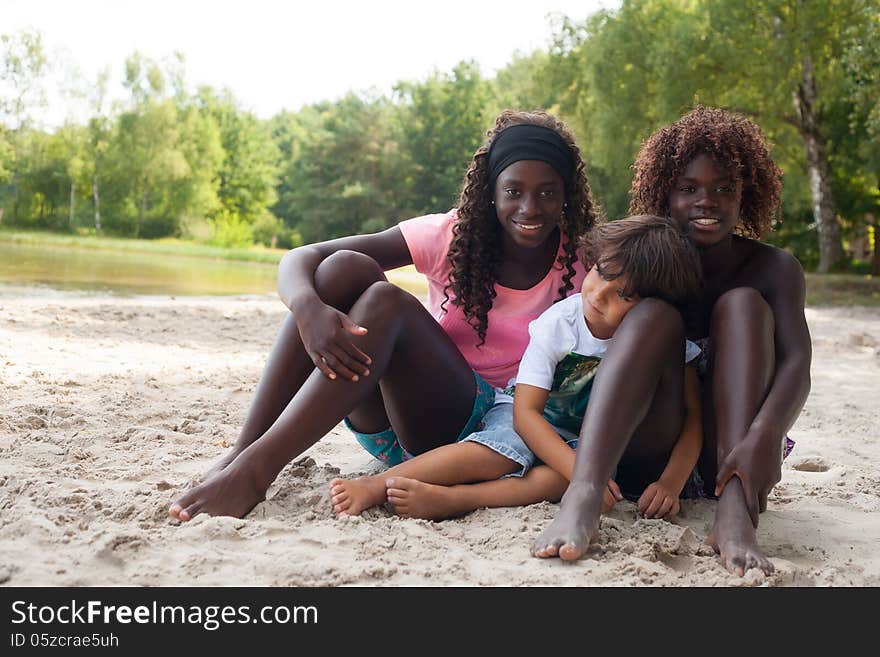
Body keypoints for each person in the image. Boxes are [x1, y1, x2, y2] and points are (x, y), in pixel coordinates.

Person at [167, 109, 598, 522]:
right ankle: (243, 451)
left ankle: (255, 473)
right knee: (342, 269)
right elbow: (303, 257)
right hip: (394, 421)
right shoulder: (452, 236)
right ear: (491, 190)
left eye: (547, 192)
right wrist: (308, 310)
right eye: (513, 191)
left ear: (566, 195)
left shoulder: (584, 260)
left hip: (481, 440)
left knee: (386, 304)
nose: (530, 207)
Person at [532, 106, 811, 578]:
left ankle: (735, 514)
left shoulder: (775, 269)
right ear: (665, 193)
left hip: (733, 453)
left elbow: (798, 364)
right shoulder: (647, 259)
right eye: (688, 189)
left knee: (743, 304)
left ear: (748, 196)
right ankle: (582, 493)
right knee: (655, 313)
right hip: (654, 446)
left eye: (725, 189)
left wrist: (766, 434)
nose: (708, 201)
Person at [330, 215, 705, 522]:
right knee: (497, 451)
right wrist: (581, 474)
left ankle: (456, 501)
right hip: (526, 416)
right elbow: (526, 414)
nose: (598, 294)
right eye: (603, 273)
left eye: (624, 295)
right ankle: (378, 484)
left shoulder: (656, 343)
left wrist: (671, 483)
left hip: (589, 444)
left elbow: (691, 419)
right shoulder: (560, 324)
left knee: (550, 482)